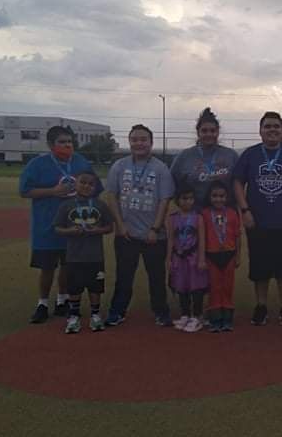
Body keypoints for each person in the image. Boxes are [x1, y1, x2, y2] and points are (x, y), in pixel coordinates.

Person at [232, 112, 282, 327]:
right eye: (267, 126)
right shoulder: (250, 154)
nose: (272, 130)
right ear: (260, 130)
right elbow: (237, 182)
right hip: (257, 221)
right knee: (260, 267)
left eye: (276, 126)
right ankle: (261, 306)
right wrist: (244, 210)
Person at [19, 125, 98, 324]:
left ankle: (62, 300)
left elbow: (94, 187)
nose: (67, 146)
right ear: (50, 145)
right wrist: (53, 191)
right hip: (46, 225)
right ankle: (42, 303)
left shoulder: (80, 161)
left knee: (68, 266)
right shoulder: (38, 164)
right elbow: (25, 191)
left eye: (69, 142)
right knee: (47, 267)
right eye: (61, 142)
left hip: (74, 224)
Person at [103, 124, 175, 327]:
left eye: (143, 139)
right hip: (126, 234)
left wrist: (155, 228)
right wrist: (121, 225)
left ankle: (161, 311)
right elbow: (112, 196)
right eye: (134, 139)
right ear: (130, 142)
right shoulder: (119, 166)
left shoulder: (161, 168)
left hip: (154, 236)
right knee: (124, 277)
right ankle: (117, 311)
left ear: (151, 143)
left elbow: (164, 200)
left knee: (156, 277)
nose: (139, 143)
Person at [52, 171, 114, 334]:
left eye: (90, 184)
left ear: (95, 187)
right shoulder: (66, 205)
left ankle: (95, 315)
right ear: (75, 184)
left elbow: (109, 227)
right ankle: (74, 316)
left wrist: (97, 230)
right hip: (74, 256)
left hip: (95, 256)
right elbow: (57, 228)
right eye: (83, 182)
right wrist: (70, 230)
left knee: (95, 287)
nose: (86, 186)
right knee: (74, 287)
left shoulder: (100, 205)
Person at [170, 108, 239, 208]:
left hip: (225, 215)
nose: (209, 134)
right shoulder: (184, 156)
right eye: (204, 131)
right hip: (194, 216)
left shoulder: (231, 155)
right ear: (198, 132)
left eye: (212, 131)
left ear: (218, 132)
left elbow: (239, 185)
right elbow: (172, 185)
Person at [200, 180, 241, 332]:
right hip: (212, 255)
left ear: (227, 197)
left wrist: (238, 256)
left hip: (229, 255)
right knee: (214, 287)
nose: (218, 199)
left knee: (227, 287)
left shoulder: (232, 213)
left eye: (222, 196)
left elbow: (237, 236)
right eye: (215, 196)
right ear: (209, 197)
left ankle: (227, 318)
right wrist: (202, 257)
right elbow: (201, 237)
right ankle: (215, 318)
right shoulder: (204, 214)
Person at [168, 186, 209, 332]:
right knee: (181, 286)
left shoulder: (198, 217)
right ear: (178, 200)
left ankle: (197, 316)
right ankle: (185, 314)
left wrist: (202, 259)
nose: (188, 202)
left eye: (191, 198)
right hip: (178, 257)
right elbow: (171, 239)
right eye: (184, 198)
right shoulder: (173, 218)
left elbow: (202, 239)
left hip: (194, 257)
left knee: (196, 287)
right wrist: (169, 259)